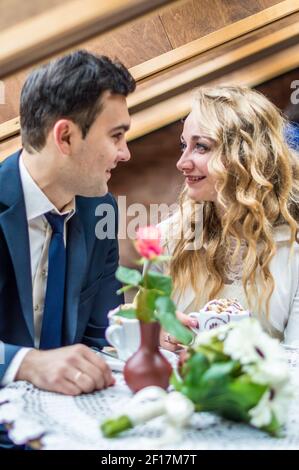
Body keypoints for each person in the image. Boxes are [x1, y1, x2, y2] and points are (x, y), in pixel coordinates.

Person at [0, 50, 135, 447]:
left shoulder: (101, 210)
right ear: (65, 136)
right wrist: (25, 363)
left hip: (73, 427)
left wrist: (142, 331)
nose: (125, 153)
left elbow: (101, 332)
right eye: (116, 136)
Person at [157, 85, 299, 352]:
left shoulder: (293, 246)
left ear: (245, 156)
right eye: (183, 145)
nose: (182, 162)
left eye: (201, 146)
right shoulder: (169, 237)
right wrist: (154, 334)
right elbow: (142, 329)